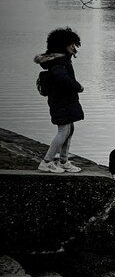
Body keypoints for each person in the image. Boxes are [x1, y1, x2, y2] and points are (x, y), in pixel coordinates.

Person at [34, 27, 84, 173]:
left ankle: (63, 161)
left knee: (69, 129)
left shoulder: (60, 59)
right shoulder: (59, 61)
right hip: (61, 100)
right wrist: (78, 86)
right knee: (64, 130)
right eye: (72, 44)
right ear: (63, 44)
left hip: (66, 100)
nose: (74, 47)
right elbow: (63, 79)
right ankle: (47, 161)